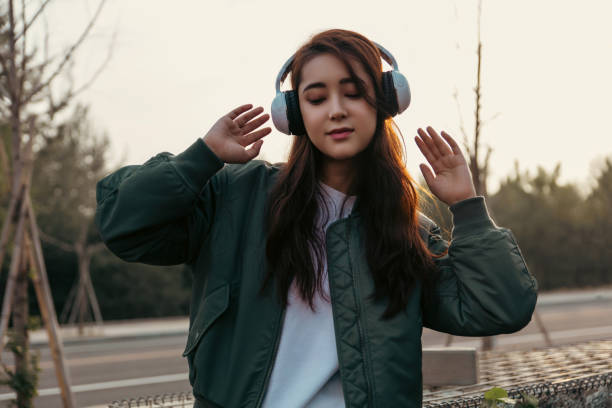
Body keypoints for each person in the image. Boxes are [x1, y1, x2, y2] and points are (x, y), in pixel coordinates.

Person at [95, 29, 538, 408]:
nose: (336, 110)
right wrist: (201, 159)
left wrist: (468, 208)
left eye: (354, 92)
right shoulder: (237, 196)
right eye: (316, 97)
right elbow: (124, 224)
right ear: (294, 114)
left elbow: (498, 309)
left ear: (385, 101)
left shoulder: (408, 230)